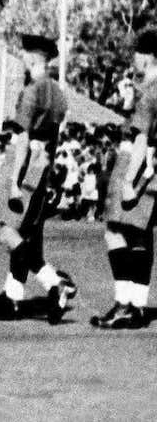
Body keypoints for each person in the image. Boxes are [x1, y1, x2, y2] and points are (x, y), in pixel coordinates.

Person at [0, 34, 73, 322]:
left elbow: (21, 138)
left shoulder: (31, 91)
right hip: (43, 163)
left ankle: (54, 283)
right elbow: (55, 136)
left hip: (22, 165)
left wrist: (12, 183)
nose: (21, 59)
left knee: (6, 230)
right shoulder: (58, 93)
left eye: (24, 55)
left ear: (33, 59)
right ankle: (12, 297)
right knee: (25, 233)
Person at [91, 29, 157, 329]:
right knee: (142, 235)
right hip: (153, 166)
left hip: (136, 160)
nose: (134, 59)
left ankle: (123, 302)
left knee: (115, 232)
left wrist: (130, 181)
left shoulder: (149, 90)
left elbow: (141, 138)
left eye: (137, 54)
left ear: (147, 56)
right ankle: (139, 305)